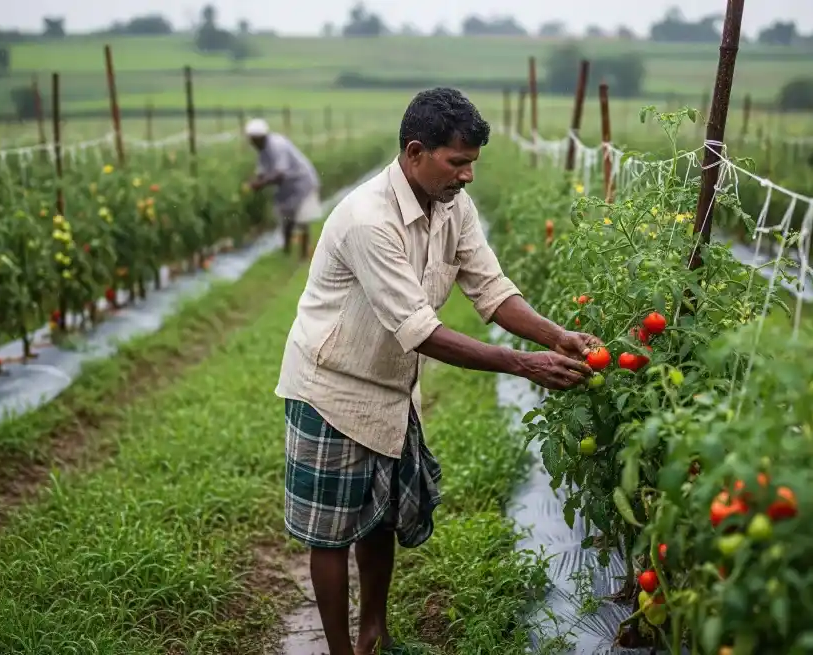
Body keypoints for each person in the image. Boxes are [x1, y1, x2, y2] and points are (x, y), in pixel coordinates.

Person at [274, 87, 602, 655]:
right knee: (328, 534)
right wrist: (522, 363)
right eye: (458, 163)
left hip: (391, 384)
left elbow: (491, 290)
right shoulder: (367, 220)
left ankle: (373, 631)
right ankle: (339, 649)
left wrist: (558, 336)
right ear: (416, 152)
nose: (467, 175)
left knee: (377, 519)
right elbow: (419, 329)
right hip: (329, 386)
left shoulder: (452, 205)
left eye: (473, 163)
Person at [244, 118, 323, 259]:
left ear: (260, 138)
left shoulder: (277, 145)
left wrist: (259, 184)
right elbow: (262, 172)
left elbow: (280, 174)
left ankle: (303, 255)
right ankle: (286, 250)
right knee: (286, 216)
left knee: (302, 218)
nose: (251, 143)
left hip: (302, 182)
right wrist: (255, 181)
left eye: (253, 140)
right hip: (288, 186)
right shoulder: (262, 149)